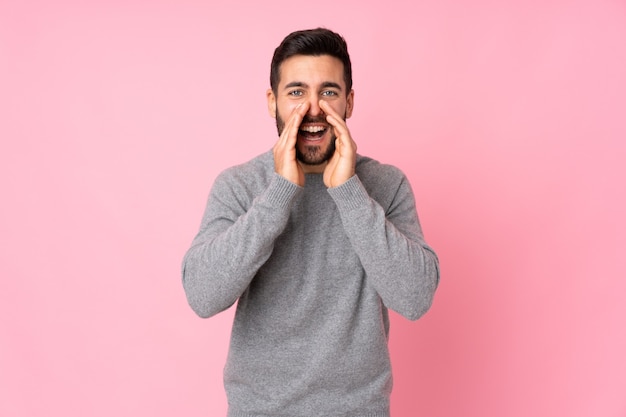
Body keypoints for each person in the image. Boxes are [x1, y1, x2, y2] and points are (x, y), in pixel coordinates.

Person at [182, 28, 440, 417]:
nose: (313, 108)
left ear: (349, 102)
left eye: (329, 92)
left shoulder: (386, 185)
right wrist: (279, 193)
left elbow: (415, 298)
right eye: (297, 92)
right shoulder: (239, 186)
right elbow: (203, 295)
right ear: (273, 102)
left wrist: (350, 191)